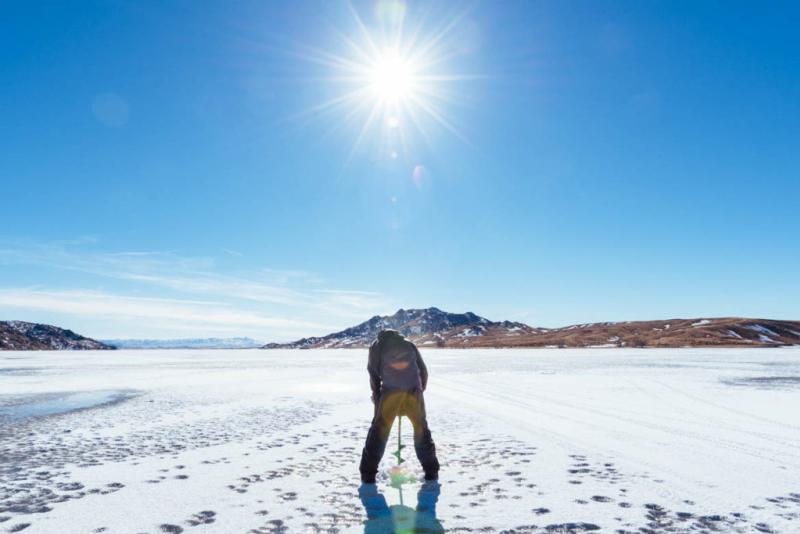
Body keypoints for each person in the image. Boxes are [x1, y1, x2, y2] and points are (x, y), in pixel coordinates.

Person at [359, 329, 440, 484]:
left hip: (390, 394)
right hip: (414, 393)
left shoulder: (377, 345)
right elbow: (423, 370)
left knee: (378, 433)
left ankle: (367, 475)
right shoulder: (409, 344)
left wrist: (376, 395)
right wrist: (419, 390)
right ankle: (431, 472)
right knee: (421, 431)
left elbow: (373, 373)